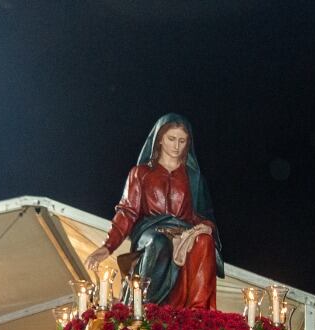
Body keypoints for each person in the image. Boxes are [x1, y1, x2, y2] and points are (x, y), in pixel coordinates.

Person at [87, 113, 222, 309]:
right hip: (151, 230)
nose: (176, 146)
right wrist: (107, 246)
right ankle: (144, 307)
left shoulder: (194, 178)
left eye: (182, 141)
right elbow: (127, 212)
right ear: (159, 139)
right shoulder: (141, 173)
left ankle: (197, 313)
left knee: (205, 242)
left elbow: (203, 215)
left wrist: (205, 228)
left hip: (183, 232)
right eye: (171, 139)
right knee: (158, 243)